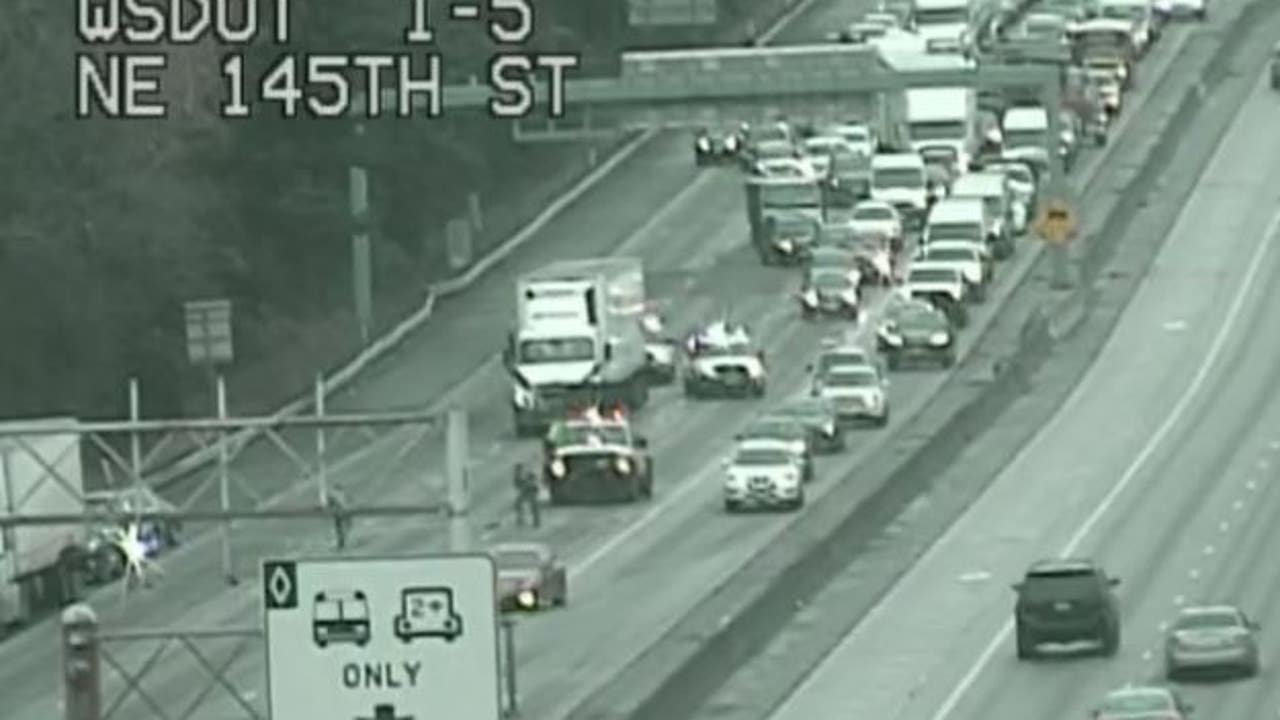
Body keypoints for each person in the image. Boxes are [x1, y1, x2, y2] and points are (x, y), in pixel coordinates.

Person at [513, 463, 541, 528]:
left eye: (518, 470)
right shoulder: (517, 477)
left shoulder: (525, 475)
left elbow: (534, 480)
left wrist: (532, 484)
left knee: (533, 506)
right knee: (518, 504)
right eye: (517, 470)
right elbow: (518, 485)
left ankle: (536, 521)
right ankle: (521, 518)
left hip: (530, 492)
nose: (517, 471)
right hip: (525, 492)